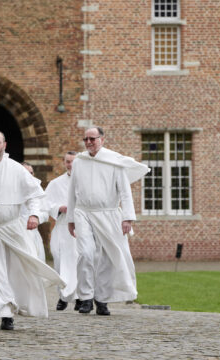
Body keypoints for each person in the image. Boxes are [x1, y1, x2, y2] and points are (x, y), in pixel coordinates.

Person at [0, 130, 66, 332]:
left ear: (4, 145)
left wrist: (34, 215)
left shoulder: (17, 170)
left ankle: (8, 314)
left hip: (12, 228)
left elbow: (35, 196)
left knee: (14, 272)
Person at [66, 126, 149, 316]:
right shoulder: (79, 161)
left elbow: (124, 192)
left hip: (108, 213)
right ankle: (85, 297)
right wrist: (71, 218)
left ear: (102, 140)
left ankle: (102, 299)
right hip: (84, 213)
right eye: (86, 139)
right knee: (85, 253)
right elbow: (72, 190)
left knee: (106, 258)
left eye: (92, 139)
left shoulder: (114, 161)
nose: (88, 142)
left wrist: (127, 217)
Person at [45, 151, 79, 311]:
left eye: (73, 161)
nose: (70, 164)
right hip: (62, 226)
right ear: (64, 163)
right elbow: (45, 204)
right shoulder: (55, 184)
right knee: (59, 260)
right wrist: (59, 208)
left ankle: (80, 297)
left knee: (79, 262)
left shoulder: (84, 182)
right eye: (67, 161)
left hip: (80, 227)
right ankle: (63, 296)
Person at [20, 162, 48, 262]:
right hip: (15, 232)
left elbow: (45, 213)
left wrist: (35, 217)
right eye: (26, 173)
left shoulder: (38, 189)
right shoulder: (12, 189)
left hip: (32, 232)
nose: (29, 175)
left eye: (31, 173)